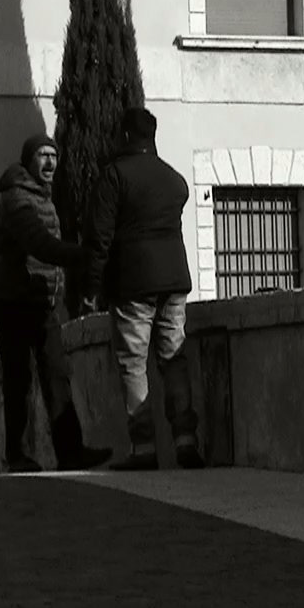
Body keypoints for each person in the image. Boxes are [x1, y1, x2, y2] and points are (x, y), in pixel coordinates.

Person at [82, 107, 203, 472]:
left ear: (124, 136)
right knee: (173, 360)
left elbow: (100, 238)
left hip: (134, 282)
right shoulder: (174, 180)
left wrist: (91, 286)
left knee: (134, 364)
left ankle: (144, 447)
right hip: (175, 282)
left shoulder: (115, 176)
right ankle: (185, 440)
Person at [0, 133, 112, 473]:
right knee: (18, 381)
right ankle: (17, 455)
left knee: (57, 375)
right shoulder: (16, 198)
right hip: (13, 301)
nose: (49, 162)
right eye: (42, 155)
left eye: (53, 156)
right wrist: (82, 255)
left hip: (42, 301)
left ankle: (70, 452)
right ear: (28, 161)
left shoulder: (43, 196)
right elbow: (39, 243)